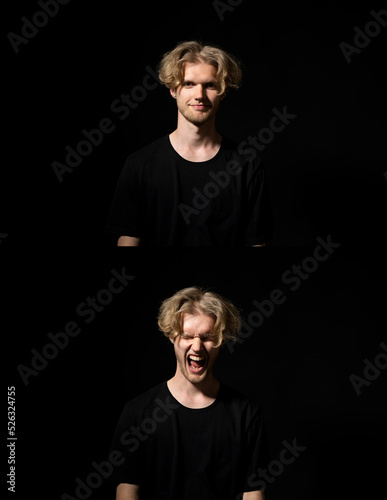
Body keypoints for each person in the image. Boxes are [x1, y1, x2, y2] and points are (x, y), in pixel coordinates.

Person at [105, 40, 273, 246]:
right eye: (189, 84)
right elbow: (128, 242)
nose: (199, 95)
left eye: (210, 85)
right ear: (173, 90)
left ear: (223, 92)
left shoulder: (247, 166)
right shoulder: (139, 165)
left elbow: (257, 245)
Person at [109, 287, 268, 499]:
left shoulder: (246, 413)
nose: (197, 347)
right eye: (187, 336)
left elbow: (253, 491)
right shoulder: (137, 413)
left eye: (207, 337)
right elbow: (127, 490)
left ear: (220, 341)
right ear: (172, 337)